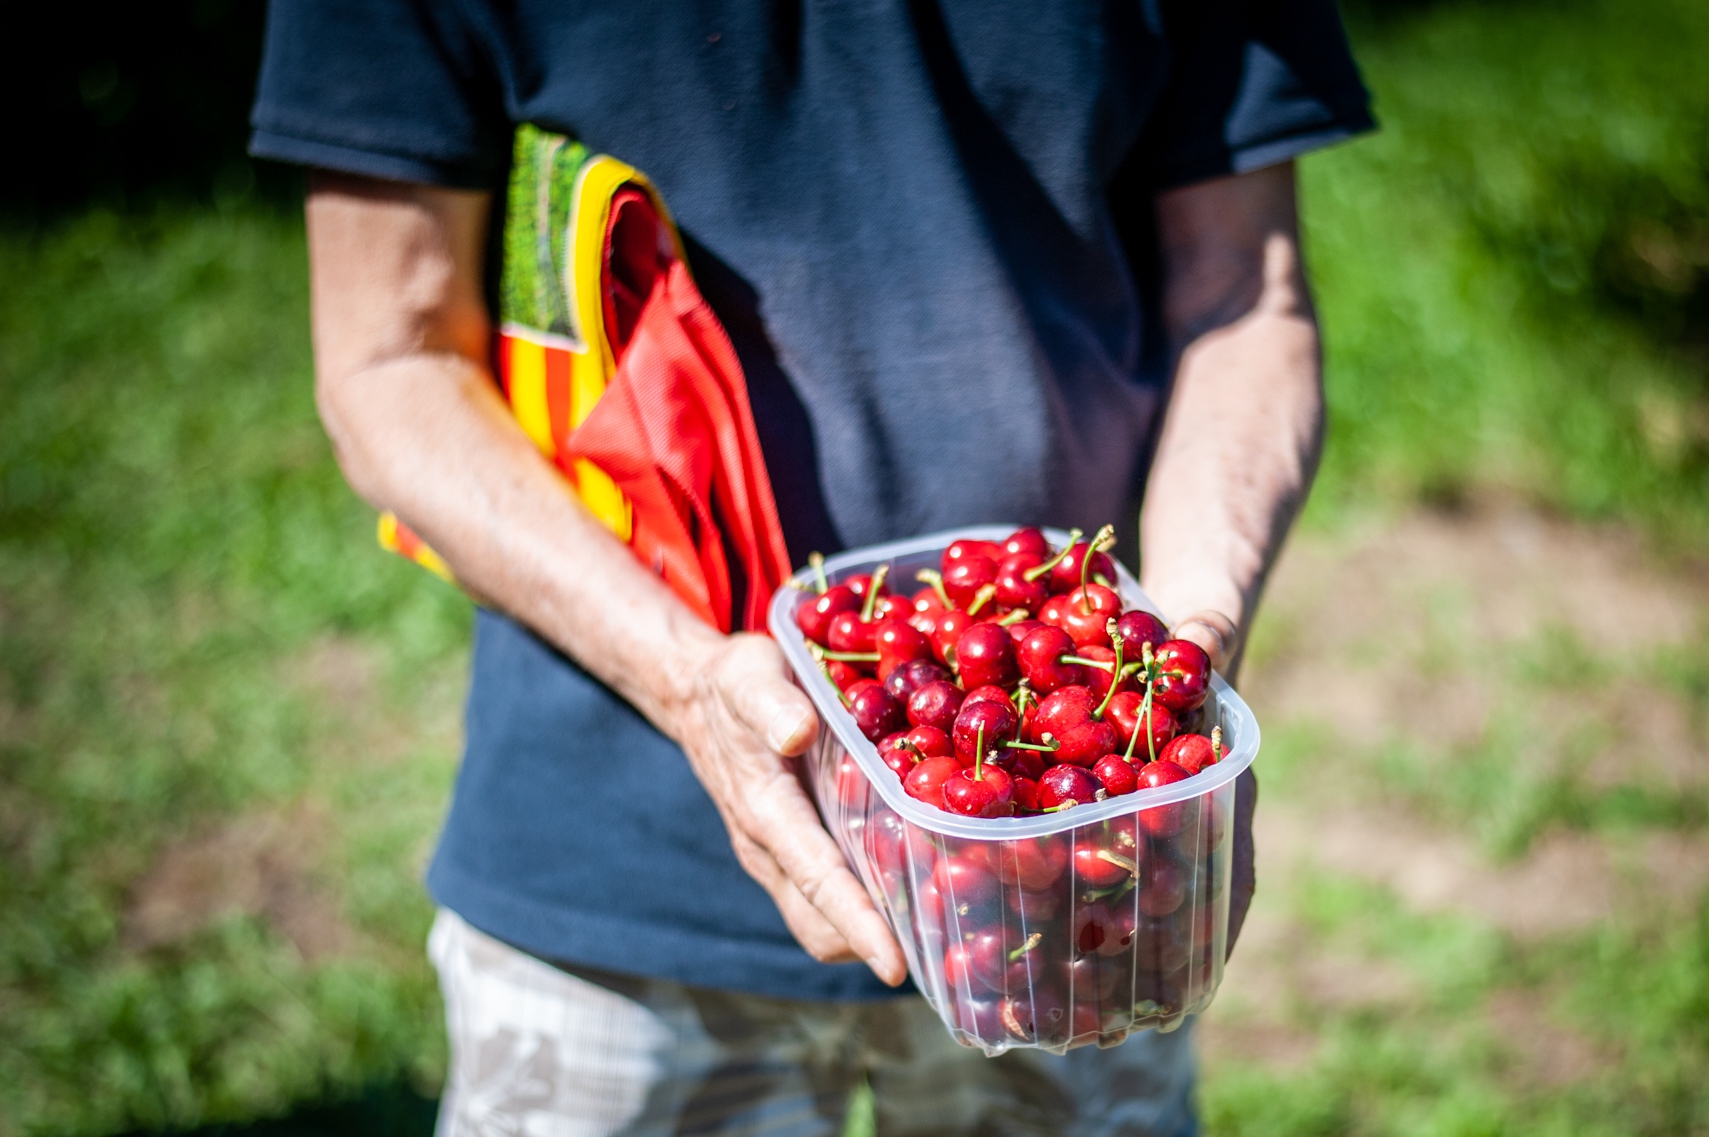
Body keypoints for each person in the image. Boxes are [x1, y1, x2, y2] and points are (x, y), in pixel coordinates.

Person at [251, 2, 1371, 1133]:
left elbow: (1244, 295)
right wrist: (685, 680)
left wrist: (1191, 633)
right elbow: (388, 361)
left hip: (1075, 883)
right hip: (616, 856)